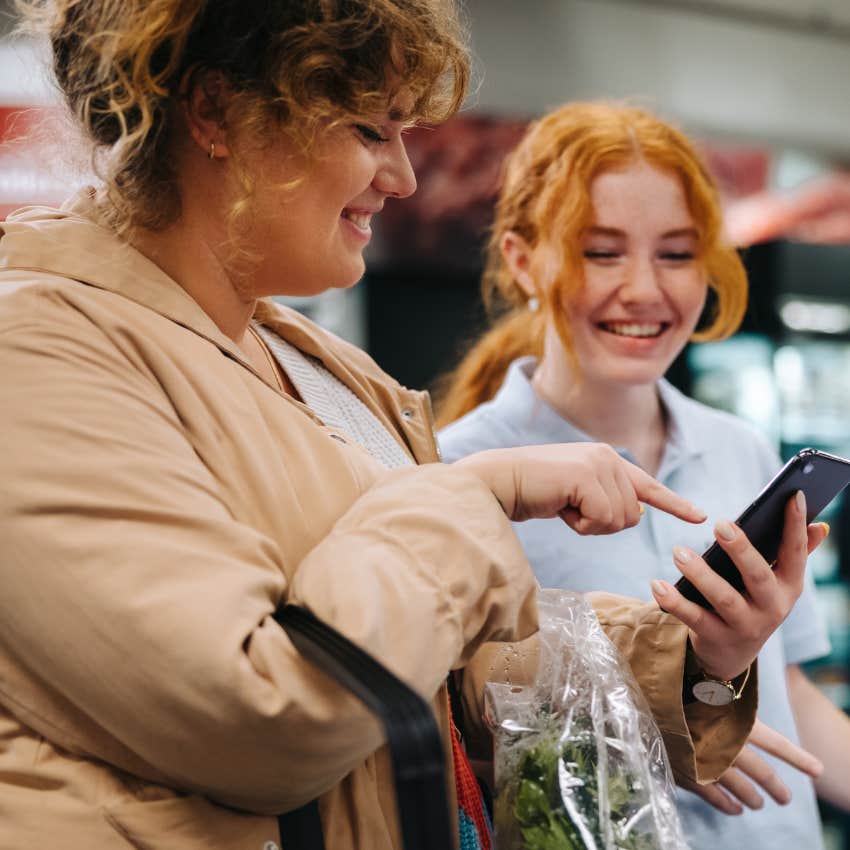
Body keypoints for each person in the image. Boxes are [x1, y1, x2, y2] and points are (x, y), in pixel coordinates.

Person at [0, 4, 823, 848]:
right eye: (370, 130)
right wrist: (473, 493)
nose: (404, 176)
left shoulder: (317, 367)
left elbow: (443, 672)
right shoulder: (36, 351)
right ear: (216, 113)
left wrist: (687, 659)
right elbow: (257, 715)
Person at [437, 101, 850, 850]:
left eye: (676, 253)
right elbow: (459, 729)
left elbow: (785, 687)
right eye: (601, 252)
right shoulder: (459, 472)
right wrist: (685, 714)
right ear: (524, 260)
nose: (643, 289)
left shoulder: (741, 449)